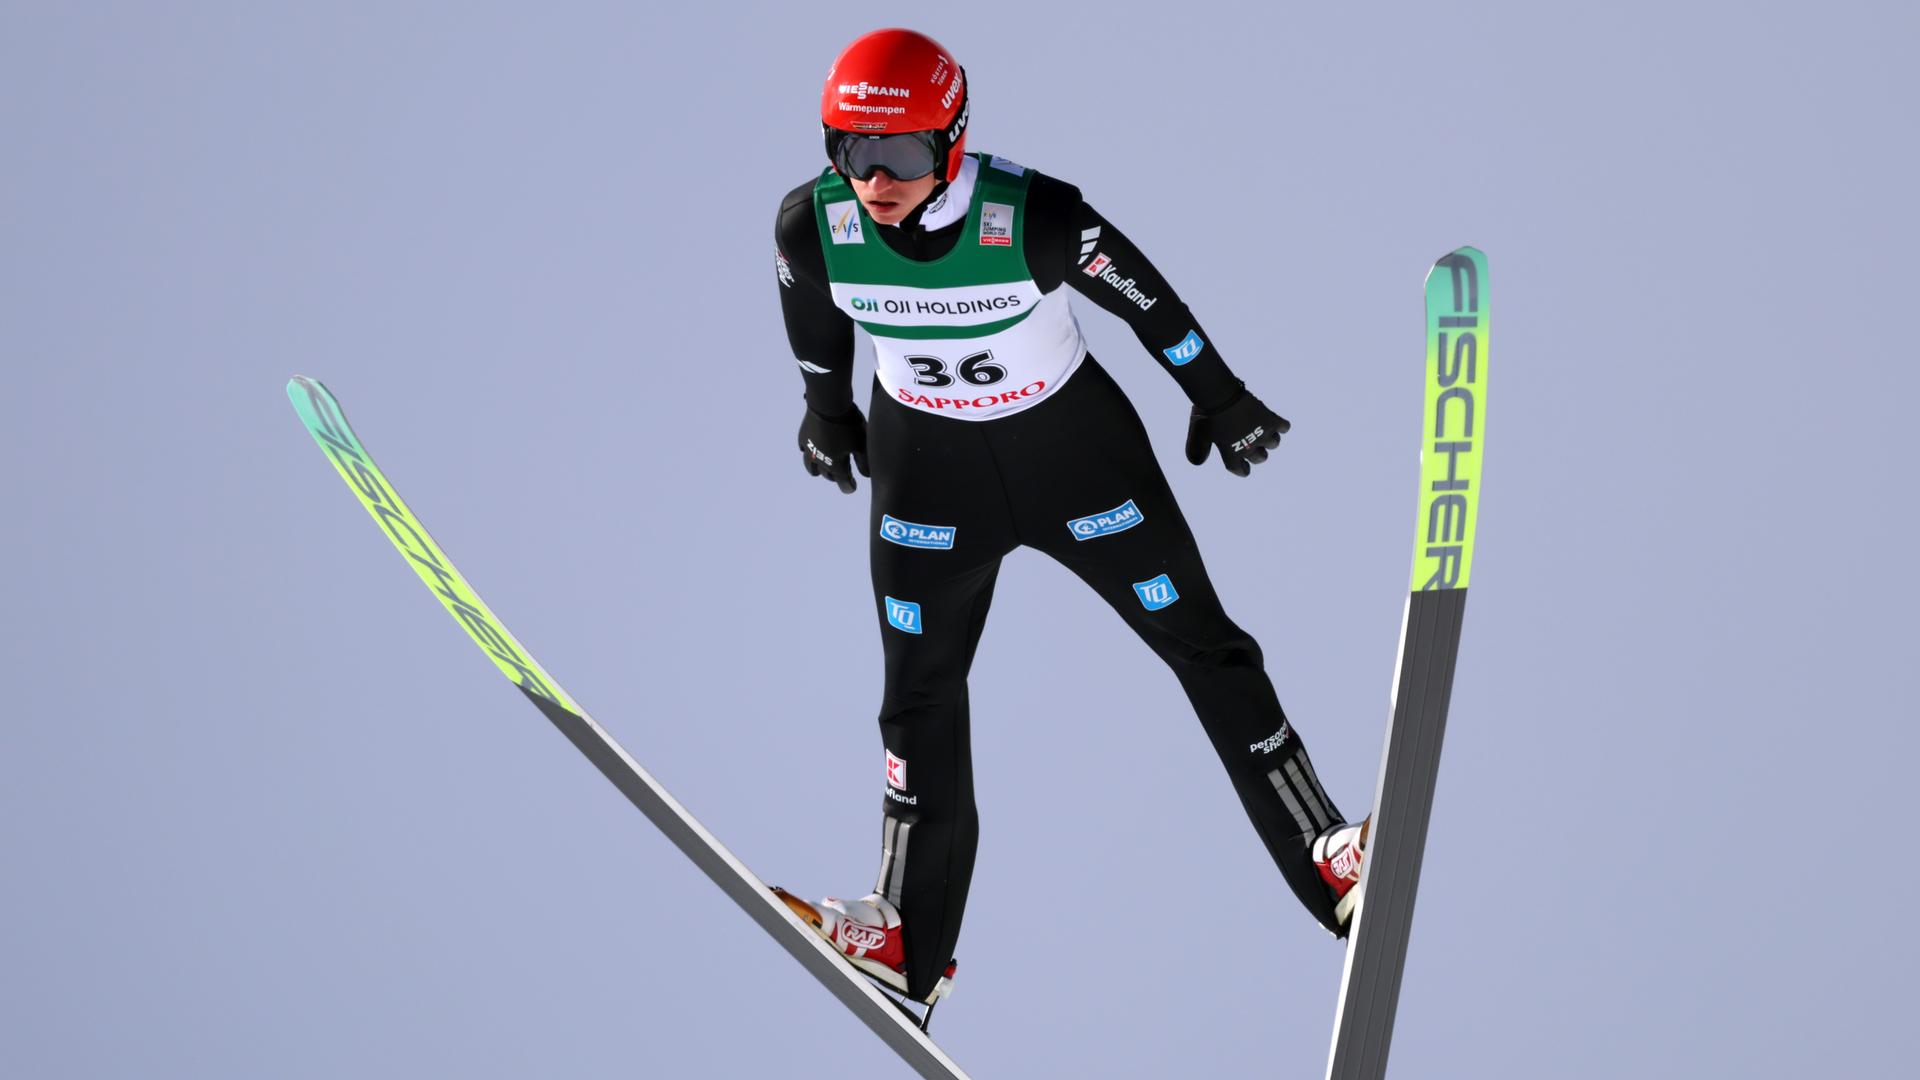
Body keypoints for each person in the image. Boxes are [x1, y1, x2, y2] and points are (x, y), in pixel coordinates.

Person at [770, 27, 1369, 1008]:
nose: (875, 180)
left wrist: (1220, 398)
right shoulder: (813, 225)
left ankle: (1326, 858)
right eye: (853, 150)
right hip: (929, 481)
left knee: (1205, 647)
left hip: (1075, 463)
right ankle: (907, 939)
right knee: (917, 693)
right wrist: (826, 413)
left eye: (903, 154)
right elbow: (812, 318)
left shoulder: (1032, 214)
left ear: (952, 140)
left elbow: (1149, 303)